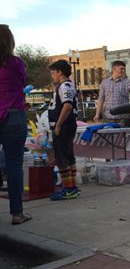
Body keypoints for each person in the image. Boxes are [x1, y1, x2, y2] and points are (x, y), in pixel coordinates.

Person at [0, 24, 31, 224]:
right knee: (14, 165)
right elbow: (20, 84)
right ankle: (17, 213)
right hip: (13, 116)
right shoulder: (16, 63)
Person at [48, 60, 80, 201]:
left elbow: (67, 106)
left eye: (53, 73)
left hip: (64, 126)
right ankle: (72, 187)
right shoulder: (67, 85)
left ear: (59, 72)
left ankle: (68, 189)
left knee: (61, 157)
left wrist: (59, 125)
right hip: (68, 125)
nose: (52, 76)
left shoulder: (65, 86)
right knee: (69, 155)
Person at [94, 60, 130, 127]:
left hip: (123, 118)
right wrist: (97, 114)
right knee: (109, 136)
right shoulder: (104, 82)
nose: (123, 71)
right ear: (114, 69)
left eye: (124, 69)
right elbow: (101, 99)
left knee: (124, 137)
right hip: (108, 117)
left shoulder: (126, 82)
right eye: (121, 69)